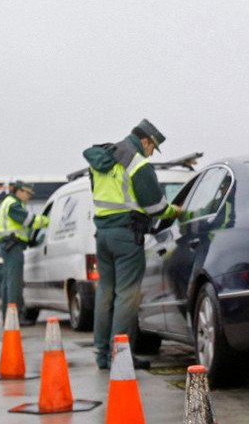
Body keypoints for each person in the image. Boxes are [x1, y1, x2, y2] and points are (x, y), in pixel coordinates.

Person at [83, 117, 182, 370]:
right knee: (127, 297)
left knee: (105, 294)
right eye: (152, 148)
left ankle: (102, 354)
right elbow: (157, 207)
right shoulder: (137, 165)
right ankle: (121, 355)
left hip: (103, 235)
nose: (150, 154)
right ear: (146, 141)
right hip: (127, 237)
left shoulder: (103, 157)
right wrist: (175, 211)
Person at [0, 180, 47, 323]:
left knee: (8, 283)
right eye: (28, 193)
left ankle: (9, 318)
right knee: (14, 284)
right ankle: (14, 317)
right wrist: (47, 220)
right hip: (13, 246)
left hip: (9, 246)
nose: (29, 196)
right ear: (19, 191)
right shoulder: (13, 205)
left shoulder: (9, 202)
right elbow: (30, 221)